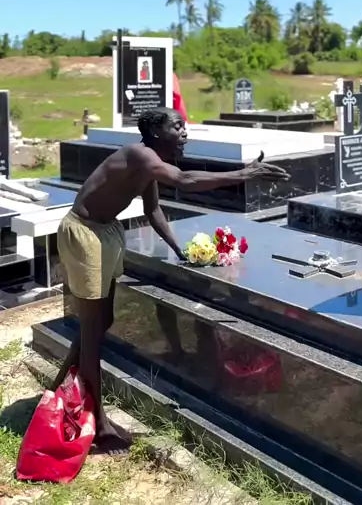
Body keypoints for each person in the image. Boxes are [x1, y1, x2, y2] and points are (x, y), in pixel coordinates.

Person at [54, 107, 289, 453]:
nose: (184, 132)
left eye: (184, 126)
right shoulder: (139, 154)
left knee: (101, 322)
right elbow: (185, 180)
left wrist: (181, 251)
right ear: (154, 132)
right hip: (84, 233)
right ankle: (98, 424)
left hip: (107, 233)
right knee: (92, 332)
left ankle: (60, 387)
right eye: (176, 126)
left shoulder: (149, 164)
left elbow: (153, 211)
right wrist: (245, 172)